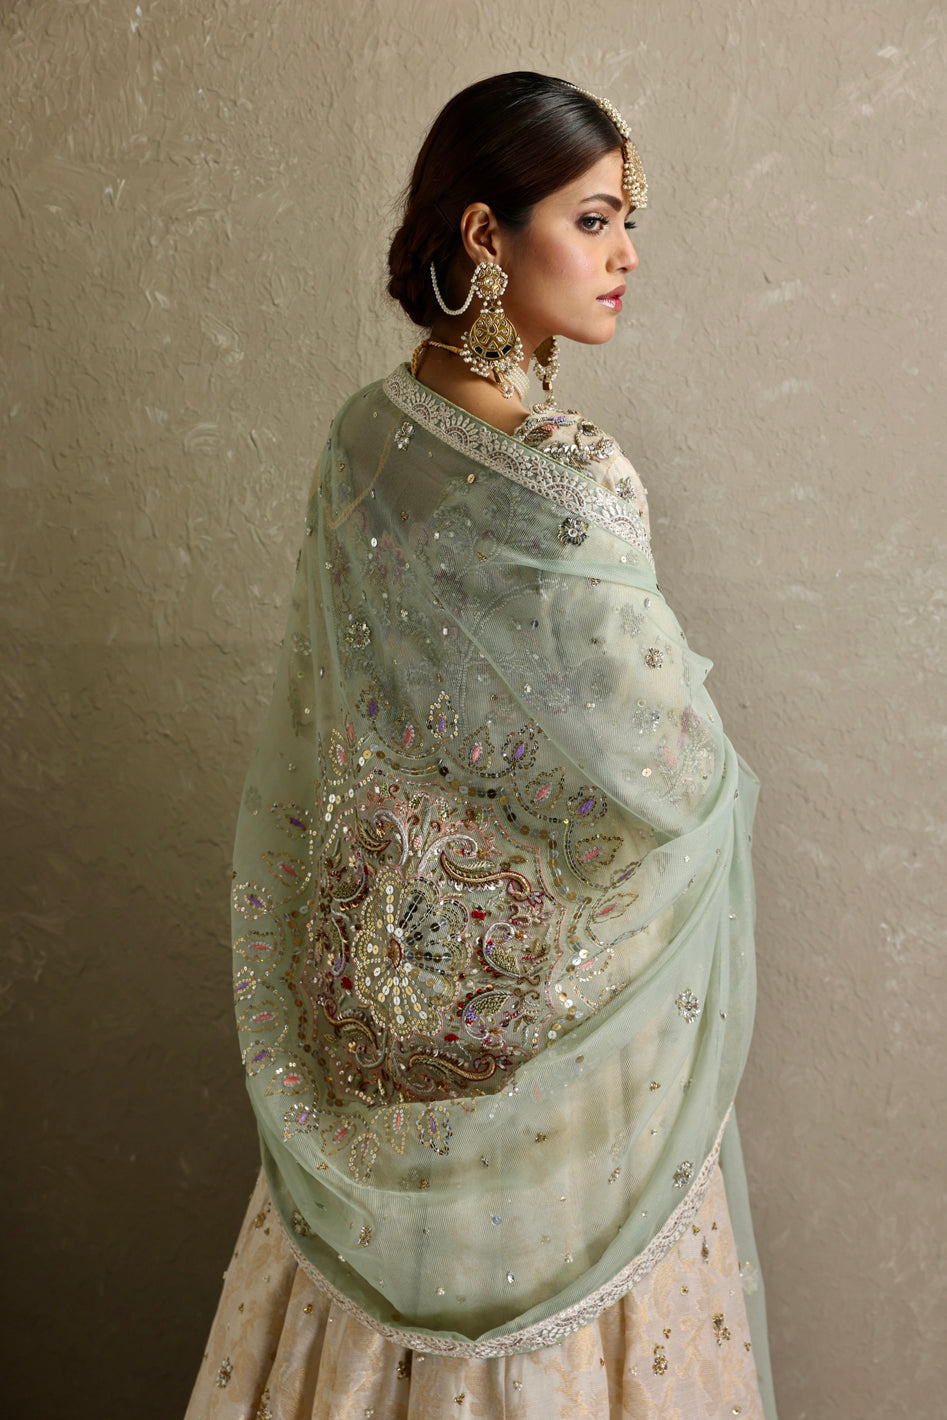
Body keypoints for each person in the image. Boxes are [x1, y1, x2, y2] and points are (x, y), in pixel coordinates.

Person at [186, 72, 778, 1420]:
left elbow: (345, 726)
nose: (627, 256)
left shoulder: (363, 438)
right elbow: (669, 771)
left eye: (627, 223)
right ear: (484, 235)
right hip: (565, 1013)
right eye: (594, 219)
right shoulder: (574, 475)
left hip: (393, 988)